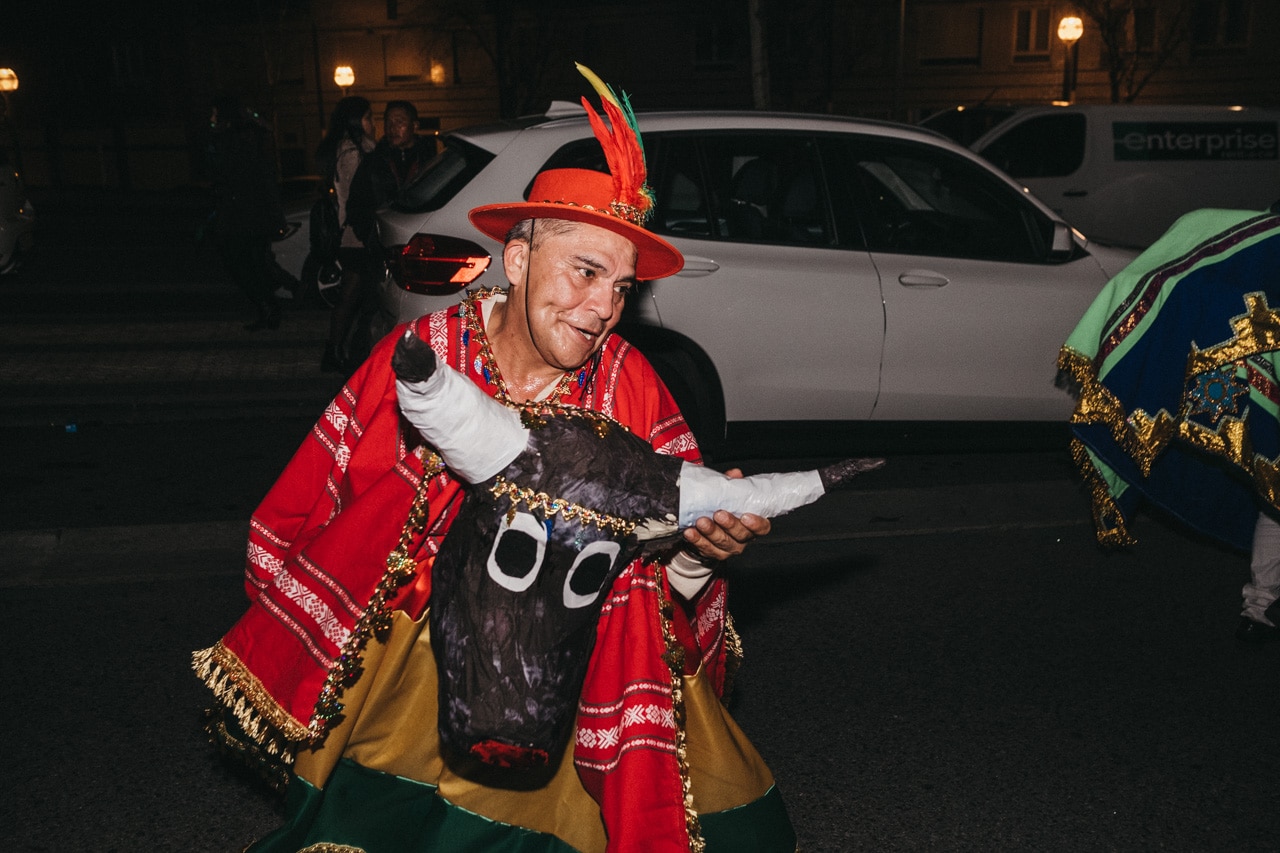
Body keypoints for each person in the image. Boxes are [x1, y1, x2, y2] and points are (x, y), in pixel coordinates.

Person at [194, 66, 797, 851]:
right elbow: (320, 509)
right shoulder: (425, 356)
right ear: (517, 261)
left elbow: (661, 597)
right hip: (415, 687)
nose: (603, 309)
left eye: (621, 288)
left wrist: (694, 556)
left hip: (575, 690)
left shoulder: (632, 388)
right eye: (585, 272)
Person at [1059, 202, 1280, 642]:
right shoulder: (1259, 246)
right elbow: (1186, 264)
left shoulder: (1257, 246)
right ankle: (1259, 606)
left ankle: (1259, 607)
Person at [206, 95, 287, 331]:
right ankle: (270, 305)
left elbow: (224, 175)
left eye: (215, 113)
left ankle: (269, 304)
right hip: (251, 213)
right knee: (254, 262)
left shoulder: (231, 141)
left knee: (242, 264)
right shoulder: (250, 137)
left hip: (240, 215)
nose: (212, 118)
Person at [315, 95, 376, 373]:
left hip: (354, 235)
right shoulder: (353, 153)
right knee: (351, 297)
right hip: (356, 236)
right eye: (368, 117)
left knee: (354, 297)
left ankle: (338, 351)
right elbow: (359, 197)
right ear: (355, 121)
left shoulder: (351, 149)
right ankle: (336, 352)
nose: (373, 123)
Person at [345, 99, 435, 250]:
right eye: (388, 122)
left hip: (420, 243)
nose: (393, 128)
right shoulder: (373, 162)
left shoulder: (430, 160)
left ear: (415, 125)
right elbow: (356, 204)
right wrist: (371, 236)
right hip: (382, 245)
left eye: (399, 122)